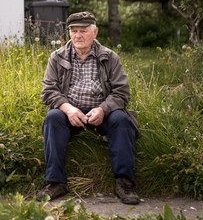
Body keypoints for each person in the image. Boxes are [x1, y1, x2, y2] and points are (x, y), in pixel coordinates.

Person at [36, 11, 140, 205]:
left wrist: (103, 109)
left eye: (83, 31)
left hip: (102, 112)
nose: (77, 35)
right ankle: (56, 182)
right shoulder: (57, 57)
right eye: (73, 31)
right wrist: (68, 109)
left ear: (95, 32)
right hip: (71, 112)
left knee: (121, 120)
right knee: (53, 118)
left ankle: (124, 184)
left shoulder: (110, 57)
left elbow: (121, 92)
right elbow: (48, 91)